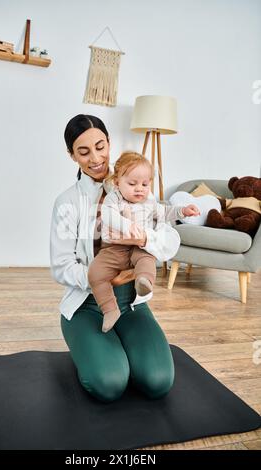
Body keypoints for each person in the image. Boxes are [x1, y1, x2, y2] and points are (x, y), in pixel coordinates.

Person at [50, 114, 179, 403]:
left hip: (132, 304)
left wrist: (144, 239)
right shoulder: (67, 202)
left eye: (100, 146)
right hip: (87, 306)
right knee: (110, 384)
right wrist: (106, 278)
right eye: (83, 152)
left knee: (158, 382)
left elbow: (171, 242)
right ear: (72, 155)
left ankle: (120, 345)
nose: (95, 158)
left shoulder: (137, 186)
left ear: (109, 142)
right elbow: (61, 267)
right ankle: (98, 348)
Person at [88, 151, 200, 333]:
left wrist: (182, 211)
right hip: (115, 248)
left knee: (147, 260)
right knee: (95, 273)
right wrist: (125, 225)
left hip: (140, 246)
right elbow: (108, 215)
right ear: (117, 183)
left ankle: (144, 282)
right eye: (132, 184)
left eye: (145, 184)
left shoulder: (149, 201)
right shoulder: (113, 199)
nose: (139, 188)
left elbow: (164, 212)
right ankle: (109, 309)